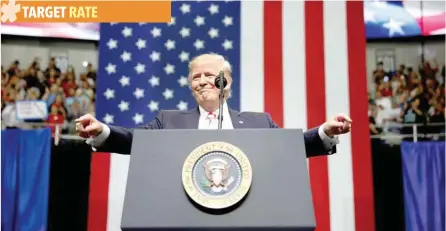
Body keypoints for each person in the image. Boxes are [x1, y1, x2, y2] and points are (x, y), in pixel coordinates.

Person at [76, 53, 352, 158]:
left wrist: (325, 132)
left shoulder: (259, 122)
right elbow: (135, 140)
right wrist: (101, 130)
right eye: (196, 76)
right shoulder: (168, 121)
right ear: (190, 86)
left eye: (210, 74)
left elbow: (290, 147)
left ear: (226, 82)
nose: (203, 80)